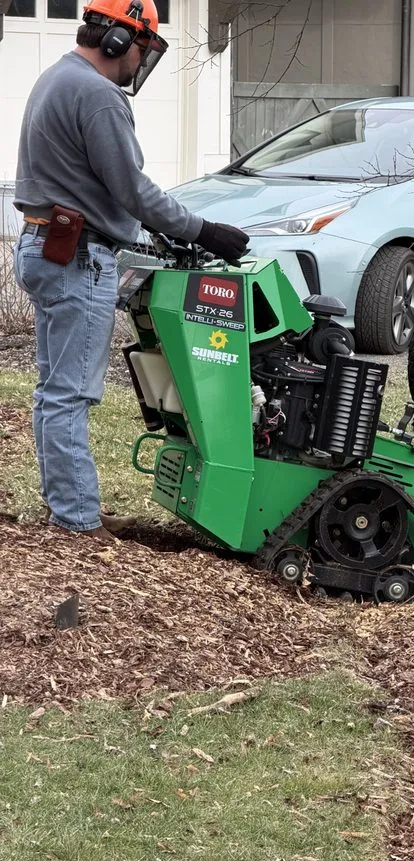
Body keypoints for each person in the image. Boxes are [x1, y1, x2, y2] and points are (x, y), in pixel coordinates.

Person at [13, 0, 249, 542]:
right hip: (76, 257)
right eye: (143, 48)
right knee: (69, 394)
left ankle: (67, 511)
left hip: (47, 244)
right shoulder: (97, 94)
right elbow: (131, 186)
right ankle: (76, 522)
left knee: (54, 390)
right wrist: (202, 230)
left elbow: (93, 184)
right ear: (119, 40)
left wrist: (150, 230)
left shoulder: (56, 77)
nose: (139, 62)